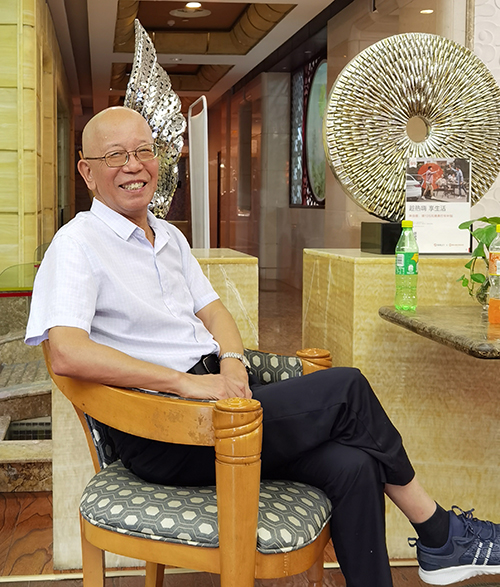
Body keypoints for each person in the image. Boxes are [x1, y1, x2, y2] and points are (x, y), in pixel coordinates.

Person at [25, 107, 500, 587]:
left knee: (354, 464)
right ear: (87, 171)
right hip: (165, 429)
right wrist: (185, 384)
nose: (134, 165)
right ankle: (438, 532)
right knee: (347, 389)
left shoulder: (167, 236)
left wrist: (232, 364)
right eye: (115, 155)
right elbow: (67, 352)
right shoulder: (77, 243)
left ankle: (430, 549)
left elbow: (215, 312)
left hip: (222, 407)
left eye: (143, 151)